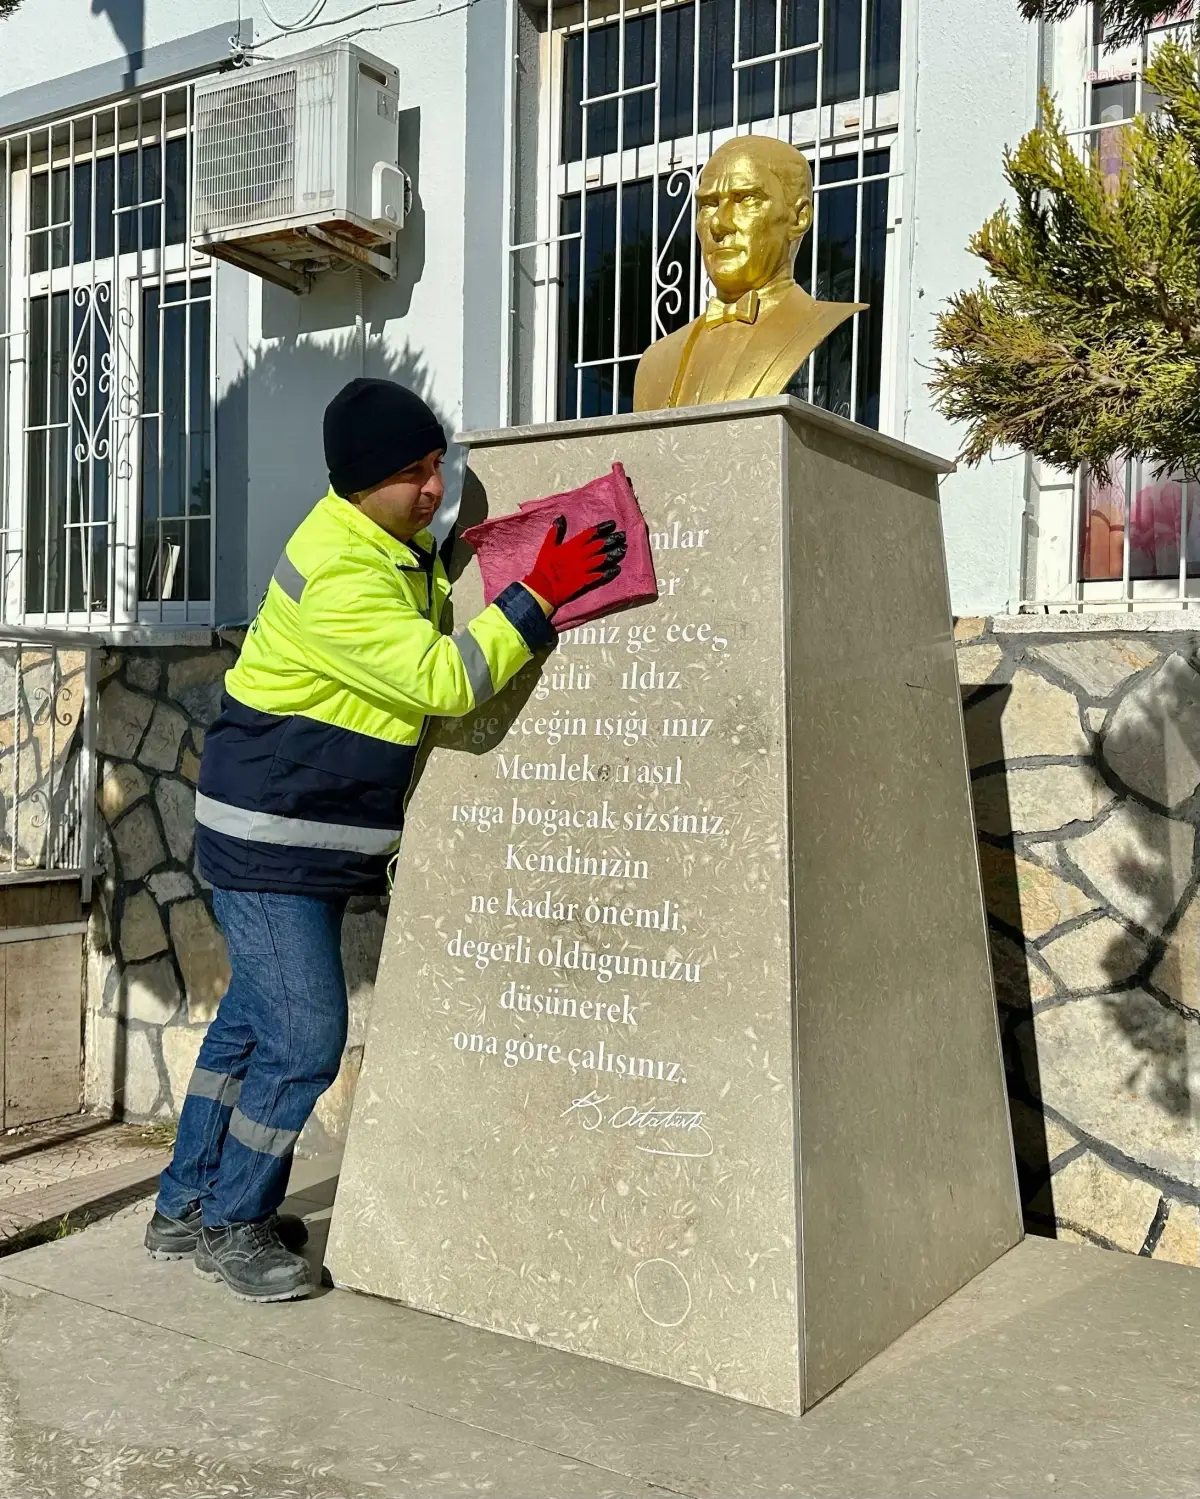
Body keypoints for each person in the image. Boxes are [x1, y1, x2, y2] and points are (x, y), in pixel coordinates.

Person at [144, 377, 626, 1302]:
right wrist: (536, 595)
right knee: (307, 1034)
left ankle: (183, 1204)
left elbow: (425, 600)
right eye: (414, 472)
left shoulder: (385, 545)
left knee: (251, 1024)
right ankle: (235, 1224)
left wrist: (468, 558)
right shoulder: (341, 571)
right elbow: (444, 678)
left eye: (439, 463)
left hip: (295, 831)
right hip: (270, 837)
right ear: (364, 479)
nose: (435, 487)